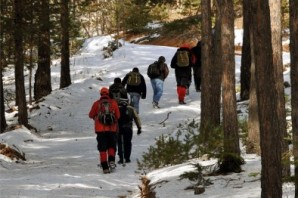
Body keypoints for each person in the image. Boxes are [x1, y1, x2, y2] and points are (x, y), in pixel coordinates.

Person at [88, 87, 120, 174]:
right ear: (108, 93)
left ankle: (105, 167)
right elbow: (118, 116)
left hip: (100, 130)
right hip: (112, 129)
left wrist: (96, 117)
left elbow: (90, 115)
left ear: (101, 94)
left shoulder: (96, 104)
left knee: (102, 148)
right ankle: (111, 160)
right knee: (111, 146)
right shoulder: (113, 103)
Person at [117, 98, 142, 165]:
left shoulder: (116, 108)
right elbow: (136, 118)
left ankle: (121, 158)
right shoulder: (131, 108)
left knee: (120, 143)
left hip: (119, 128)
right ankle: (127, 158)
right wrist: (139, 128)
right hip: (128, 128)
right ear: (127, 101)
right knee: (128, 142)